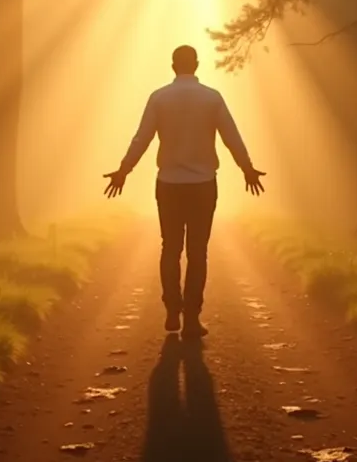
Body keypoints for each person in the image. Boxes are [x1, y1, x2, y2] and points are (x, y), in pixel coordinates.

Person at [102, 44, 266, 339]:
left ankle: (171, 311)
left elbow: (142, 139)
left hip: (168, 185)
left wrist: (123, 170)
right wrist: (247, 168)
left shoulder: (159, 98)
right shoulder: (212, 98)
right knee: (198, 252)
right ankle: (192, 317)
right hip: (203, 185)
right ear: (197, 64)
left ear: (173, 65)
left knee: (170, 248)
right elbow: (232, 138)